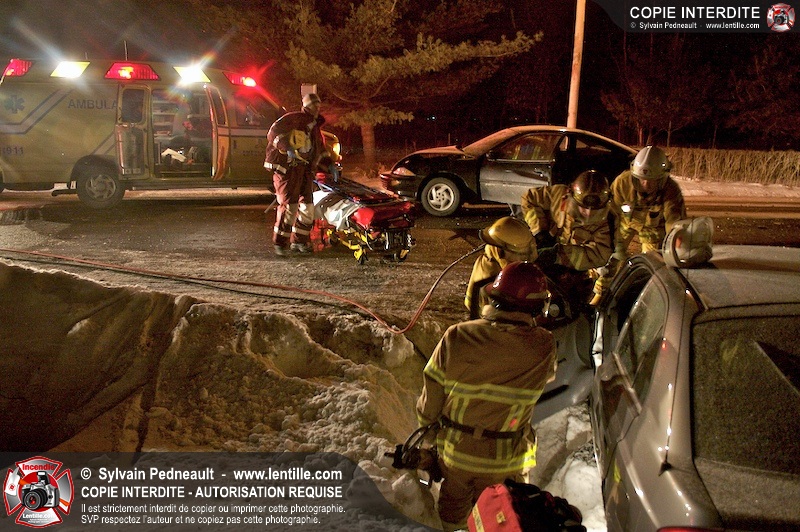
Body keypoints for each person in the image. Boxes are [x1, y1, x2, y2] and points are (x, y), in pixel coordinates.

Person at [417, 262, 557, 531]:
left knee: (451, 516)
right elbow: (547, 376)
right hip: (507, 461)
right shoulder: (544, 345)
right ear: (537, 306)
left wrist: (429, 439)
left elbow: (430, 402)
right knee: (502, 520)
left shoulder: (456, 336)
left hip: (457, 457)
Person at [592, 146, 687, 303]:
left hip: (652, 228)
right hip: (625, 222)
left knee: (652, 265)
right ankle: (600, 292)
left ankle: (646, 295)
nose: (645, 184)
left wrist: (676, 241)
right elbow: (610, 213)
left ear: (662, 178)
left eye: (651, 180)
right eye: (641, 179)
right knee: (611, 256)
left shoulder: (671, 190)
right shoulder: (622, 182)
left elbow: (674, 220)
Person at [520, 170, 613, 307]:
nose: (588, 213)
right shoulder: (559, 195)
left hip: (575, 273)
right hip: (545, 254)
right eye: (583, 207)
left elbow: (600, 255)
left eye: (595, 209)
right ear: (571, 196)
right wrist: (539, 230)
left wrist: (558, 254)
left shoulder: (607, 223)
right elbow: (529, 198)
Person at [264, 93, 326, 256]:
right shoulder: (292, 119)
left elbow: (320, 150)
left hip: (305, 170)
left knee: (307, 208)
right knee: (289, 207)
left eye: (318, 106)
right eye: (314, 105)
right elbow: (273, 133)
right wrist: (287, 148)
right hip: (288, 169)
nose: (317, 109)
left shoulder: (314, 126)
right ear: (306, 106)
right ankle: (280, 243)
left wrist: (330, 165)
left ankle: (299, 241)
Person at [464, 216, 536, 319]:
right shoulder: (491, 276)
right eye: (520, 254)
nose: (522, 258)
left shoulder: (498, 262)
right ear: (500, 251)